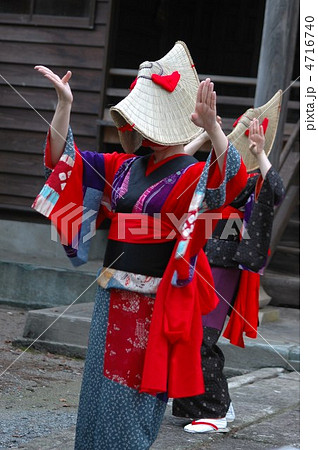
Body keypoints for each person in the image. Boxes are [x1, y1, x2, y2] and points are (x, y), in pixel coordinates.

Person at [32, 41, 247, 449]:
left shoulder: (191, 174)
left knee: (129, 402)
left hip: (151, 307)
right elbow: (66, 162)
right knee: (96, 398)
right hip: (109, 297)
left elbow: (229, 185)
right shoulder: (125, 166)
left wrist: (213, 126)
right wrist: (64, 105)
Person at [172, 96, 285, 433]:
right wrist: (206, 136)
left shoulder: (253, 179)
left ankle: (215, 410)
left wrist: (260, 152)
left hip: (225, 263)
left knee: (203, 335)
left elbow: (276, 190)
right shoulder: (219, 164)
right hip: (198, 254)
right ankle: (196, 404)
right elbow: (175, 164)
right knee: (185, 332)